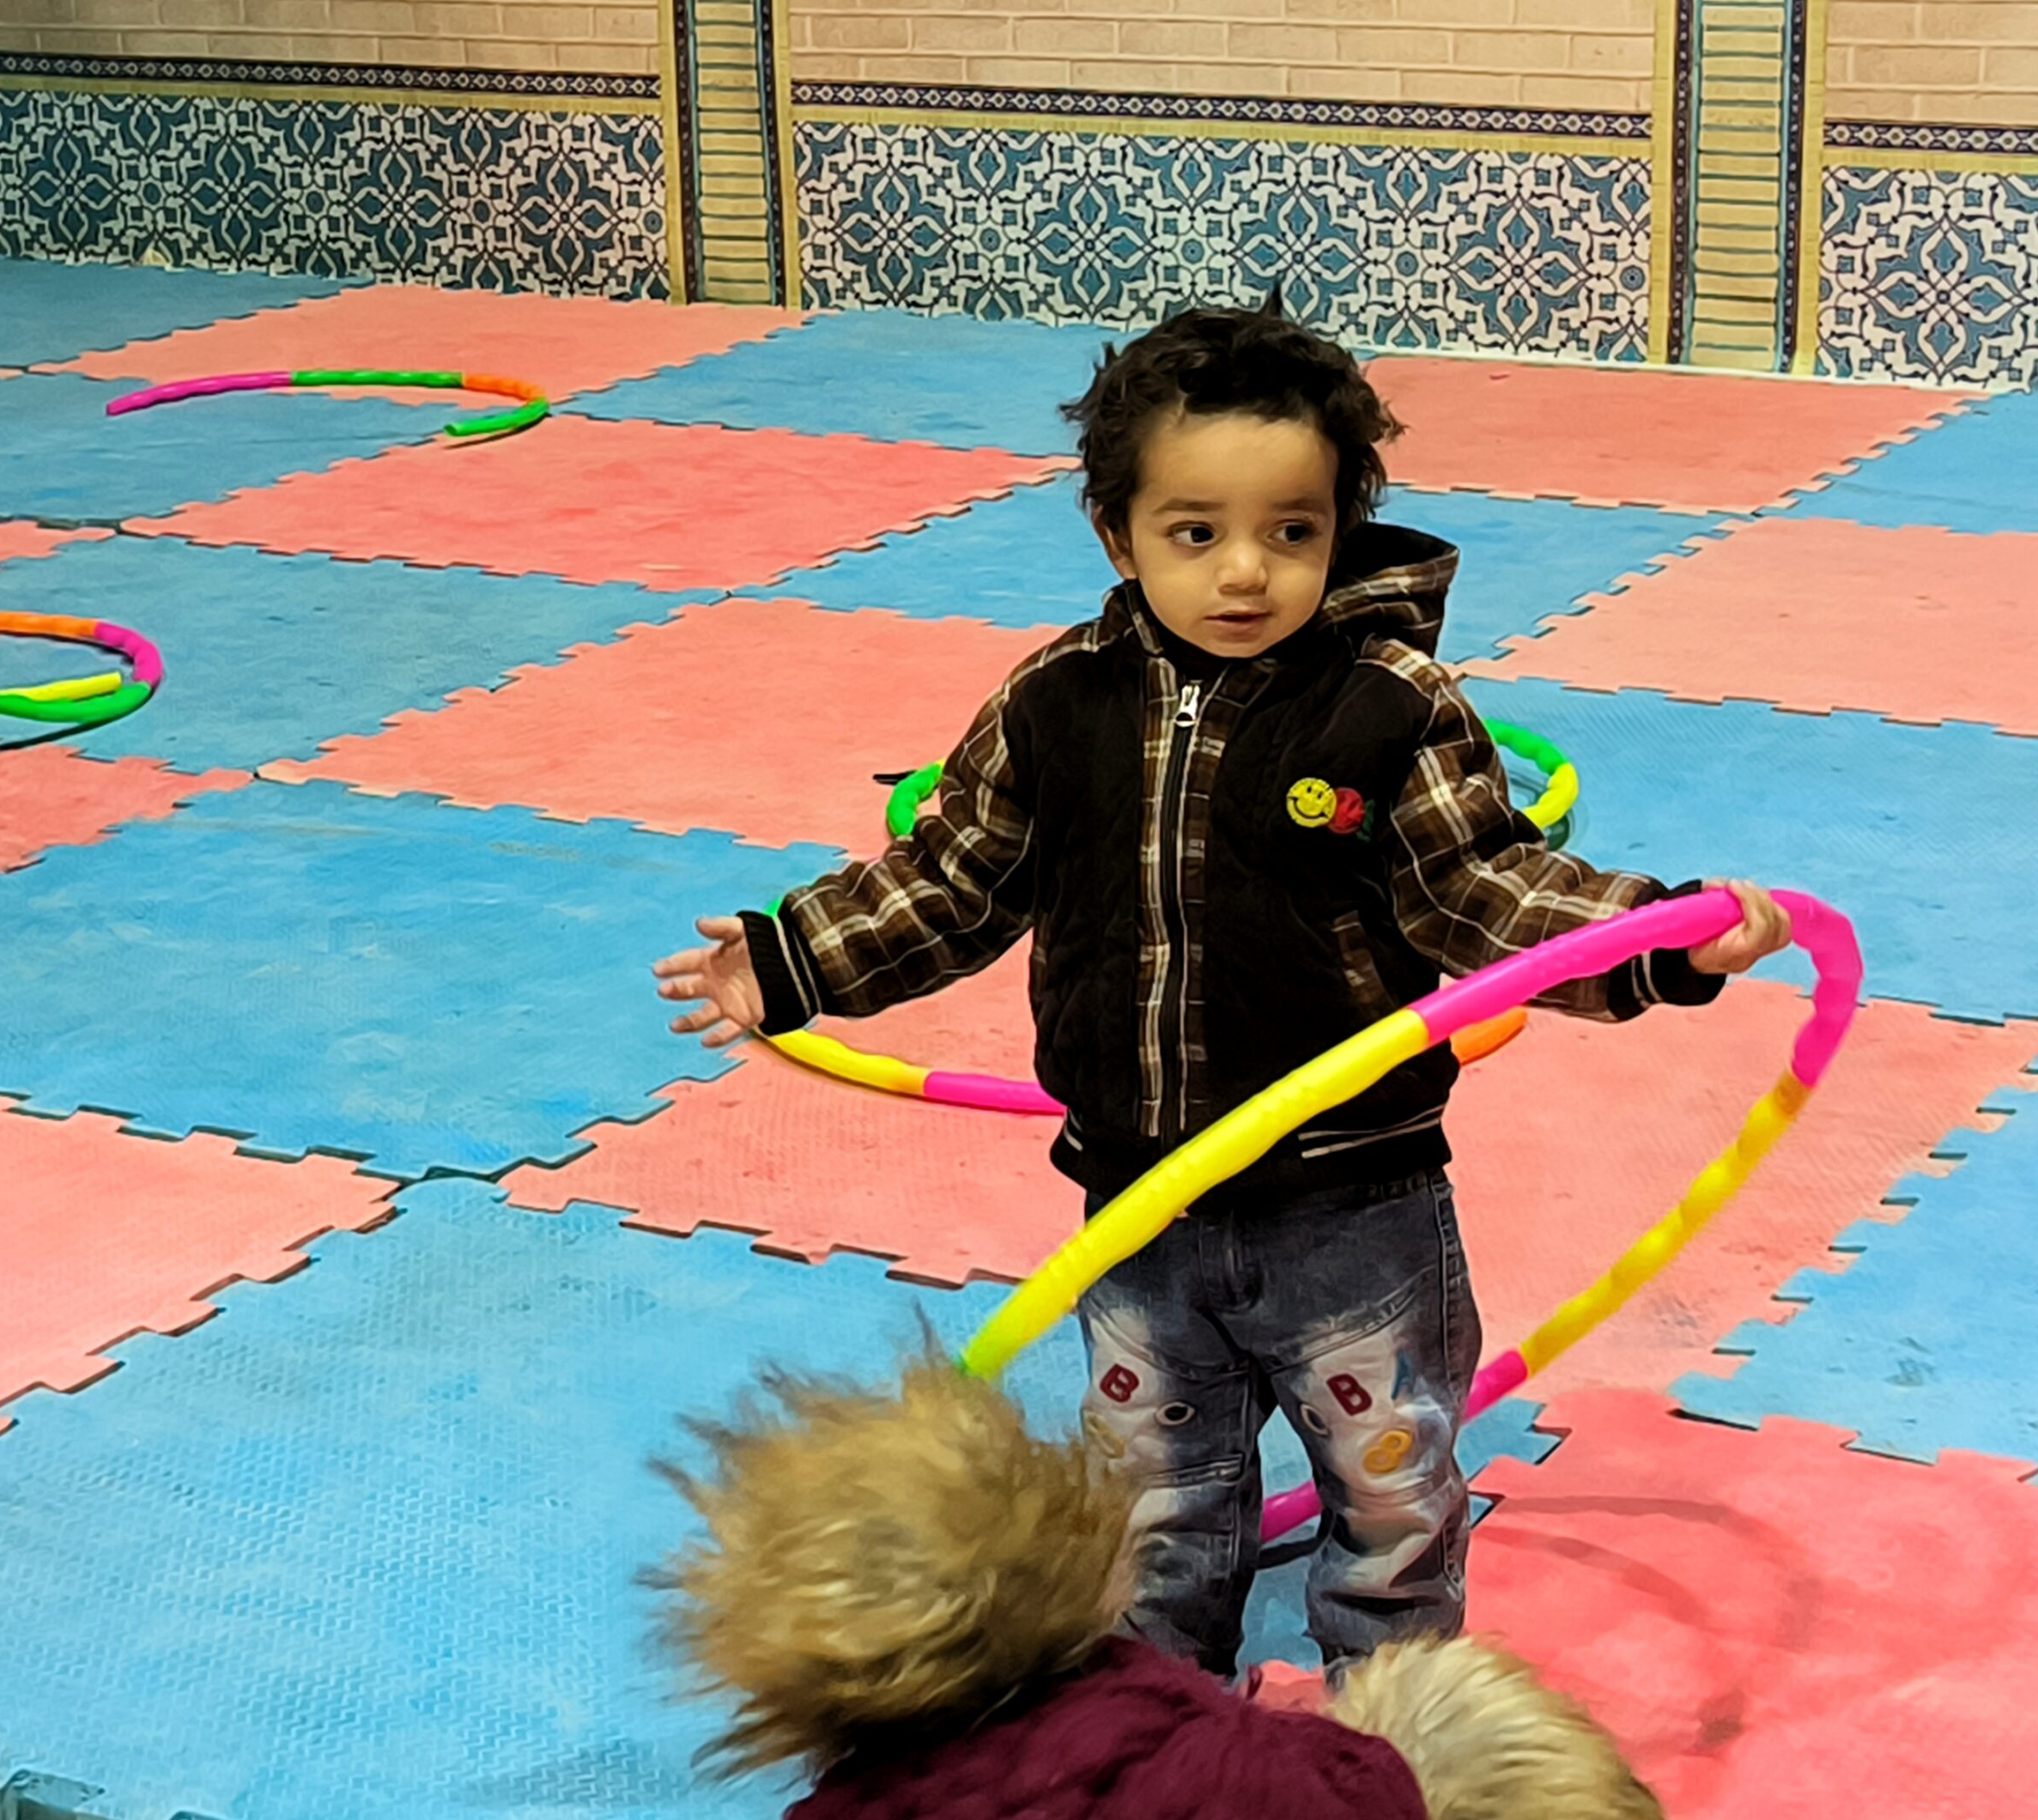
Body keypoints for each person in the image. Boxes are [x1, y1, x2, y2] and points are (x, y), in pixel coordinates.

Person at [654, 297, 1791, 1680]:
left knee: (1390, 1496)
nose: (1246, 572)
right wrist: (788, 961)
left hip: (1352, 1206)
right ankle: (1161, 1716)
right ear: (1117, 536)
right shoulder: (1056, 704)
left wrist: (1659, 940)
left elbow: (1485, 891)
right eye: (1196, 533)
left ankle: (1395, 1720)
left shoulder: (1389, 706)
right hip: (1140, 1200)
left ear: (1339, 530)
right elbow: (954, 879)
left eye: (1291, 532)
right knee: (1152, 1509)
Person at [651, 1347, 1665, 1819]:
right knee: (1442, 1714)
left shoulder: (849, 1805)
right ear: (1082, 1554)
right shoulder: (1174, 1722)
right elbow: (1357, 1788)